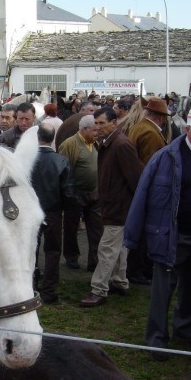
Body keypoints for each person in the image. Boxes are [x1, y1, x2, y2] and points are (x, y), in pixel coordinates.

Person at [124, 108, 191, 361]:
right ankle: (157, 339)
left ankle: (184, 329)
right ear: (186, 130)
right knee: (163, 291)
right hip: (171, 236)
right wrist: (132, 237)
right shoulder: (165, 158)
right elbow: (142, 196)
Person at [80, 108, 144, 308]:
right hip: (115, 205)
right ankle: (119, 281)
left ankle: (99, 289)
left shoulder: (120, 145)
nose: (97, 127)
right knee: (119, 247)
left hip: (118, 207)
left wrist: (132, 205)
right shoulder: (110, 144)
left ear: (114, 123)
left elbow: (136, 177)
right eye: (95, 124)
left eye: (101, 123)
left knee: (107, 248)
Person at [125, 97, 172, 285]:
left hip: (137, 187)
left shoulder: (138, 127)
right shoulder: (151, 133)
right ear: (161, 117)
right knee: (145, 232)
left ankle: (137, 268)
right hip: (147, 189)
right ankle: (138, 270)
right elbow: (152, 166)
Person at [30, 123, 72, 304]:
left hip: (31, 211)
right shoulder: (60, 160)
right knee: (53, 251)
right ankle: (49, 290)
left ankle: (31, 286)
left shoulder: (27, 160)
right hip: (53, 211)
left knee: (31, 250)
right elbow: (68, 191)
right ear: (52, 138)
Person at [58, 115, 102, 272]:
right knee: (71, 227)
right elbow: (63, 170)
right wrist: (68, 194)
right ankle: (71, 257)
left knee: (96, 229)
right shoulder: (69, 145)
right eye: (95, 130)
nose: (98, 133)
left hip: (94, 194)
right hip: (75, 195)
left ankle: (94, 261)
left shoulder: (96, 144)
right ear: (85, 129)